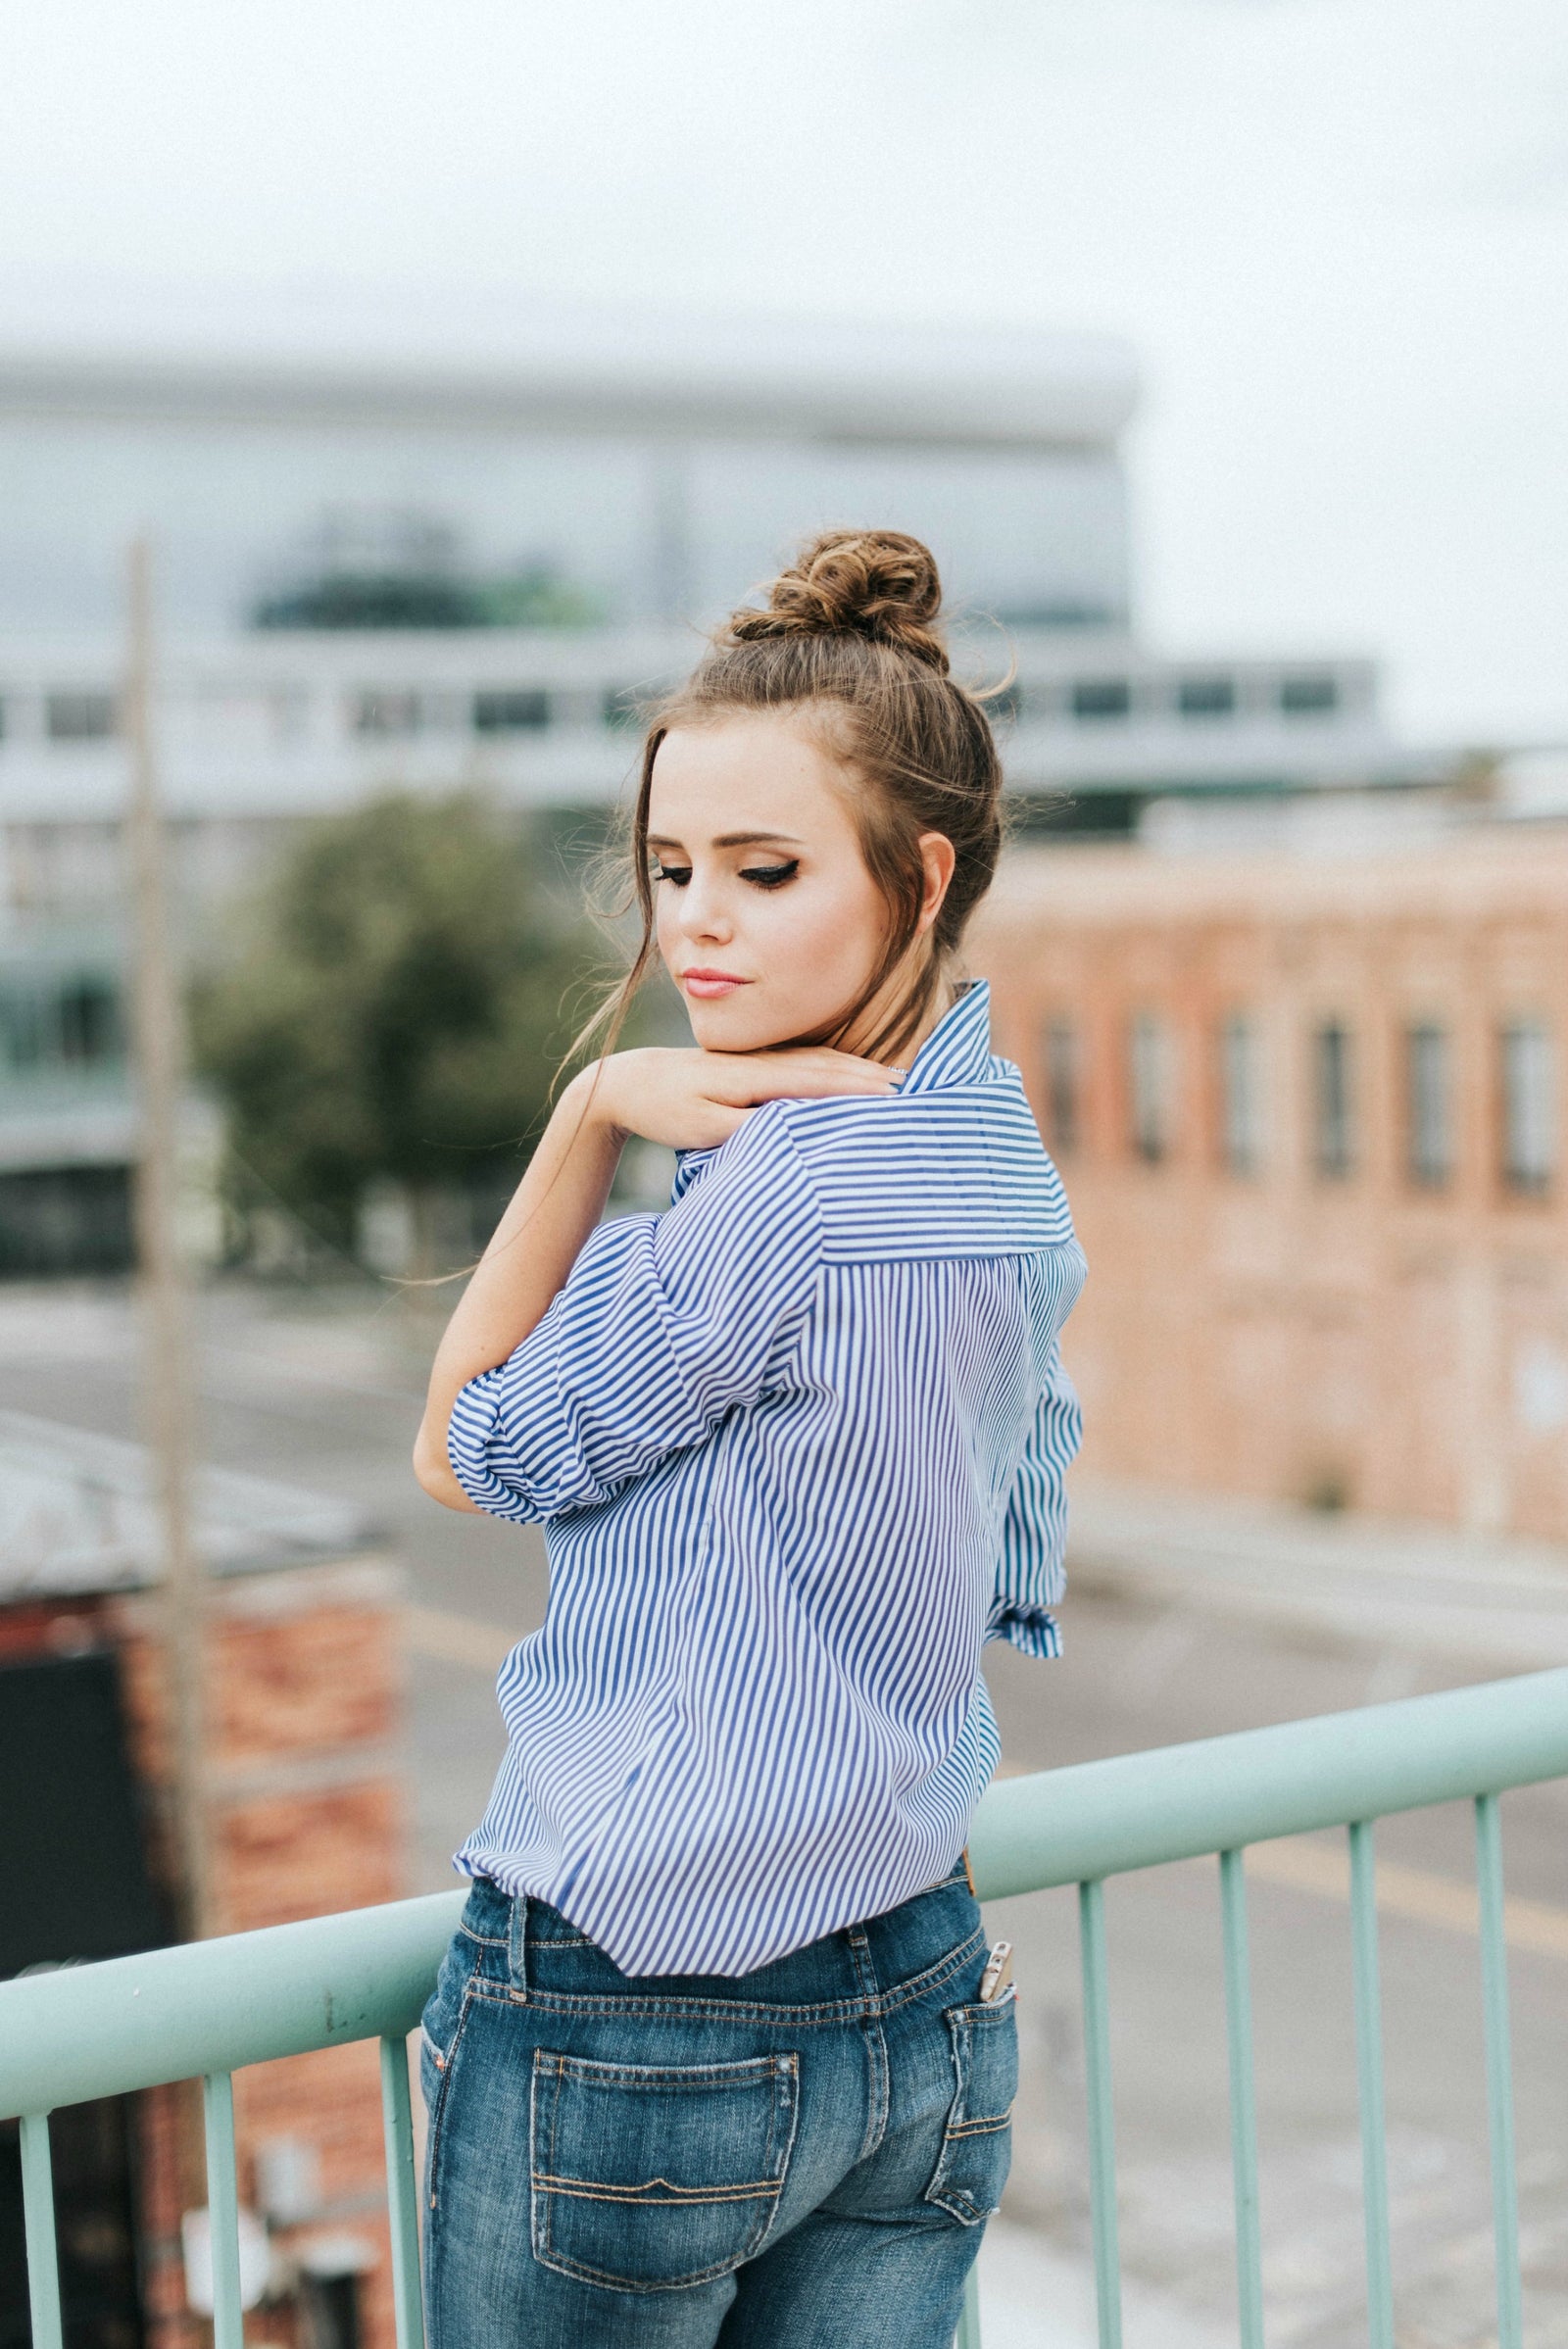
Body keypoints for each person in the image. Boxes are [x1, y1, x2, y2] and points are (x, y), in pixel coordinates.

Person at [413, 528, 1086, 2347]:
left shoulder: (774, 1198)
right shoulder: (999, 1153)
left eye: (765, 870)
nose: (696, 919)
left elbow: (469, 1443)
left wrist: (590, 1114)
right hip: (922, 1989)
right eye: (670, 867)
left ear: (920, 876)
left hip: (645, 2009)